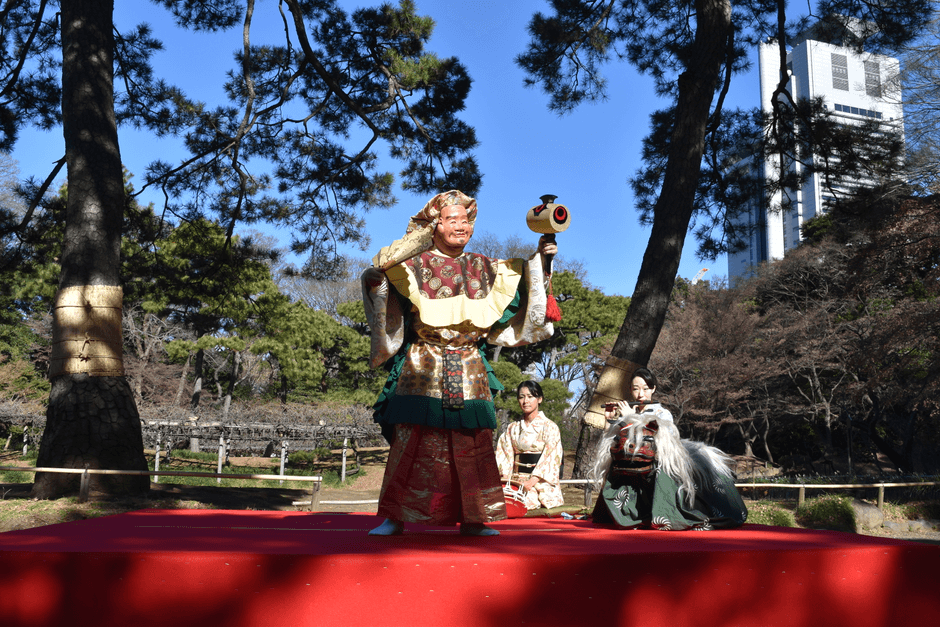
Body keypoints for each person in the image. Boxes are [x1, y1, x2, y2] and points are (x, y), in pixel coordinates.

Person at [361, 190, 557, 536]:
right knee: (413, 438)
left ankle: (476, 517)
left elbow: (525, 288)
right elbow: (380, 276)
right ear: (434, 225)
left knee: (474, 442)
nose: (461, 226)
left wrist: (542, 260)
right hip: (423, 361)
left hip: (469, 363)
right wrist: (412, 243)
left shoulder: (485, 267)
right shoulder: (411, 266)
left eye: (466, 220)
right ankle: (396, 516)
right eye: (452, 219)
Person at [590, 368, 747, 530]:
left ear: (653, 389)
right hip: (629, 461)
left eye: (645, 388)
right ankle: (622, 513)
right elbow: (616, 442)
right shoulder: (627, 411)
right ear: (630, 390)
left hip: (655, 460)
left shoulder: (661, 413)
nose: (640, 394)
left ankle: (665, 513)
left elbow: (655, 435)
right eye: (636, 389)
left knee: (663, 472)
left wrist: (631, 417)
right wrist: (610, 421)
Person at [495, 381, 565, 510]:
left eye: (530, 396)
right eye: (521, 397)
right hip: (515, 480)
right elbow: (504, 457)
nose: (525, 401)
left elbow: (551, 460)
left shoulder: (550, 427)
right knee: (499, 500)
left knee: (522, 502)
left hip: (540, 482)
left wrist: (531, 482)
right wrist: (506, 481)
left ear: (539, 399)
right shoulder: (513, 428)